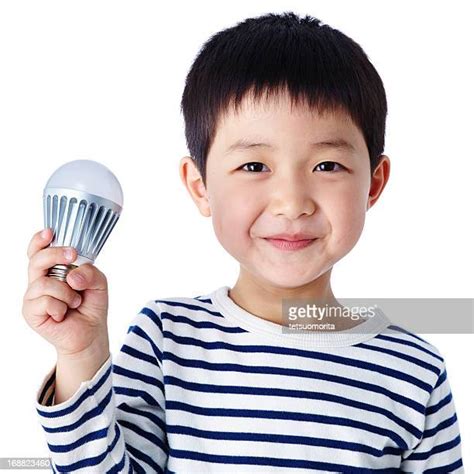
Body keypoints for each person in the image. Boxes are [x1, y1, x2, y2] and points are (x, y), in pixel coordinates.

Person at [23, 11, 464, 473]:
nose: (292, 204)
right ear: (200, 186)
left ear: (373, 184)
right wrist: (80, 354)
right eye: (254, 166)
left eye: (327, 166)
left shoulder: (415, 371)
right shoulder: (166, 340)